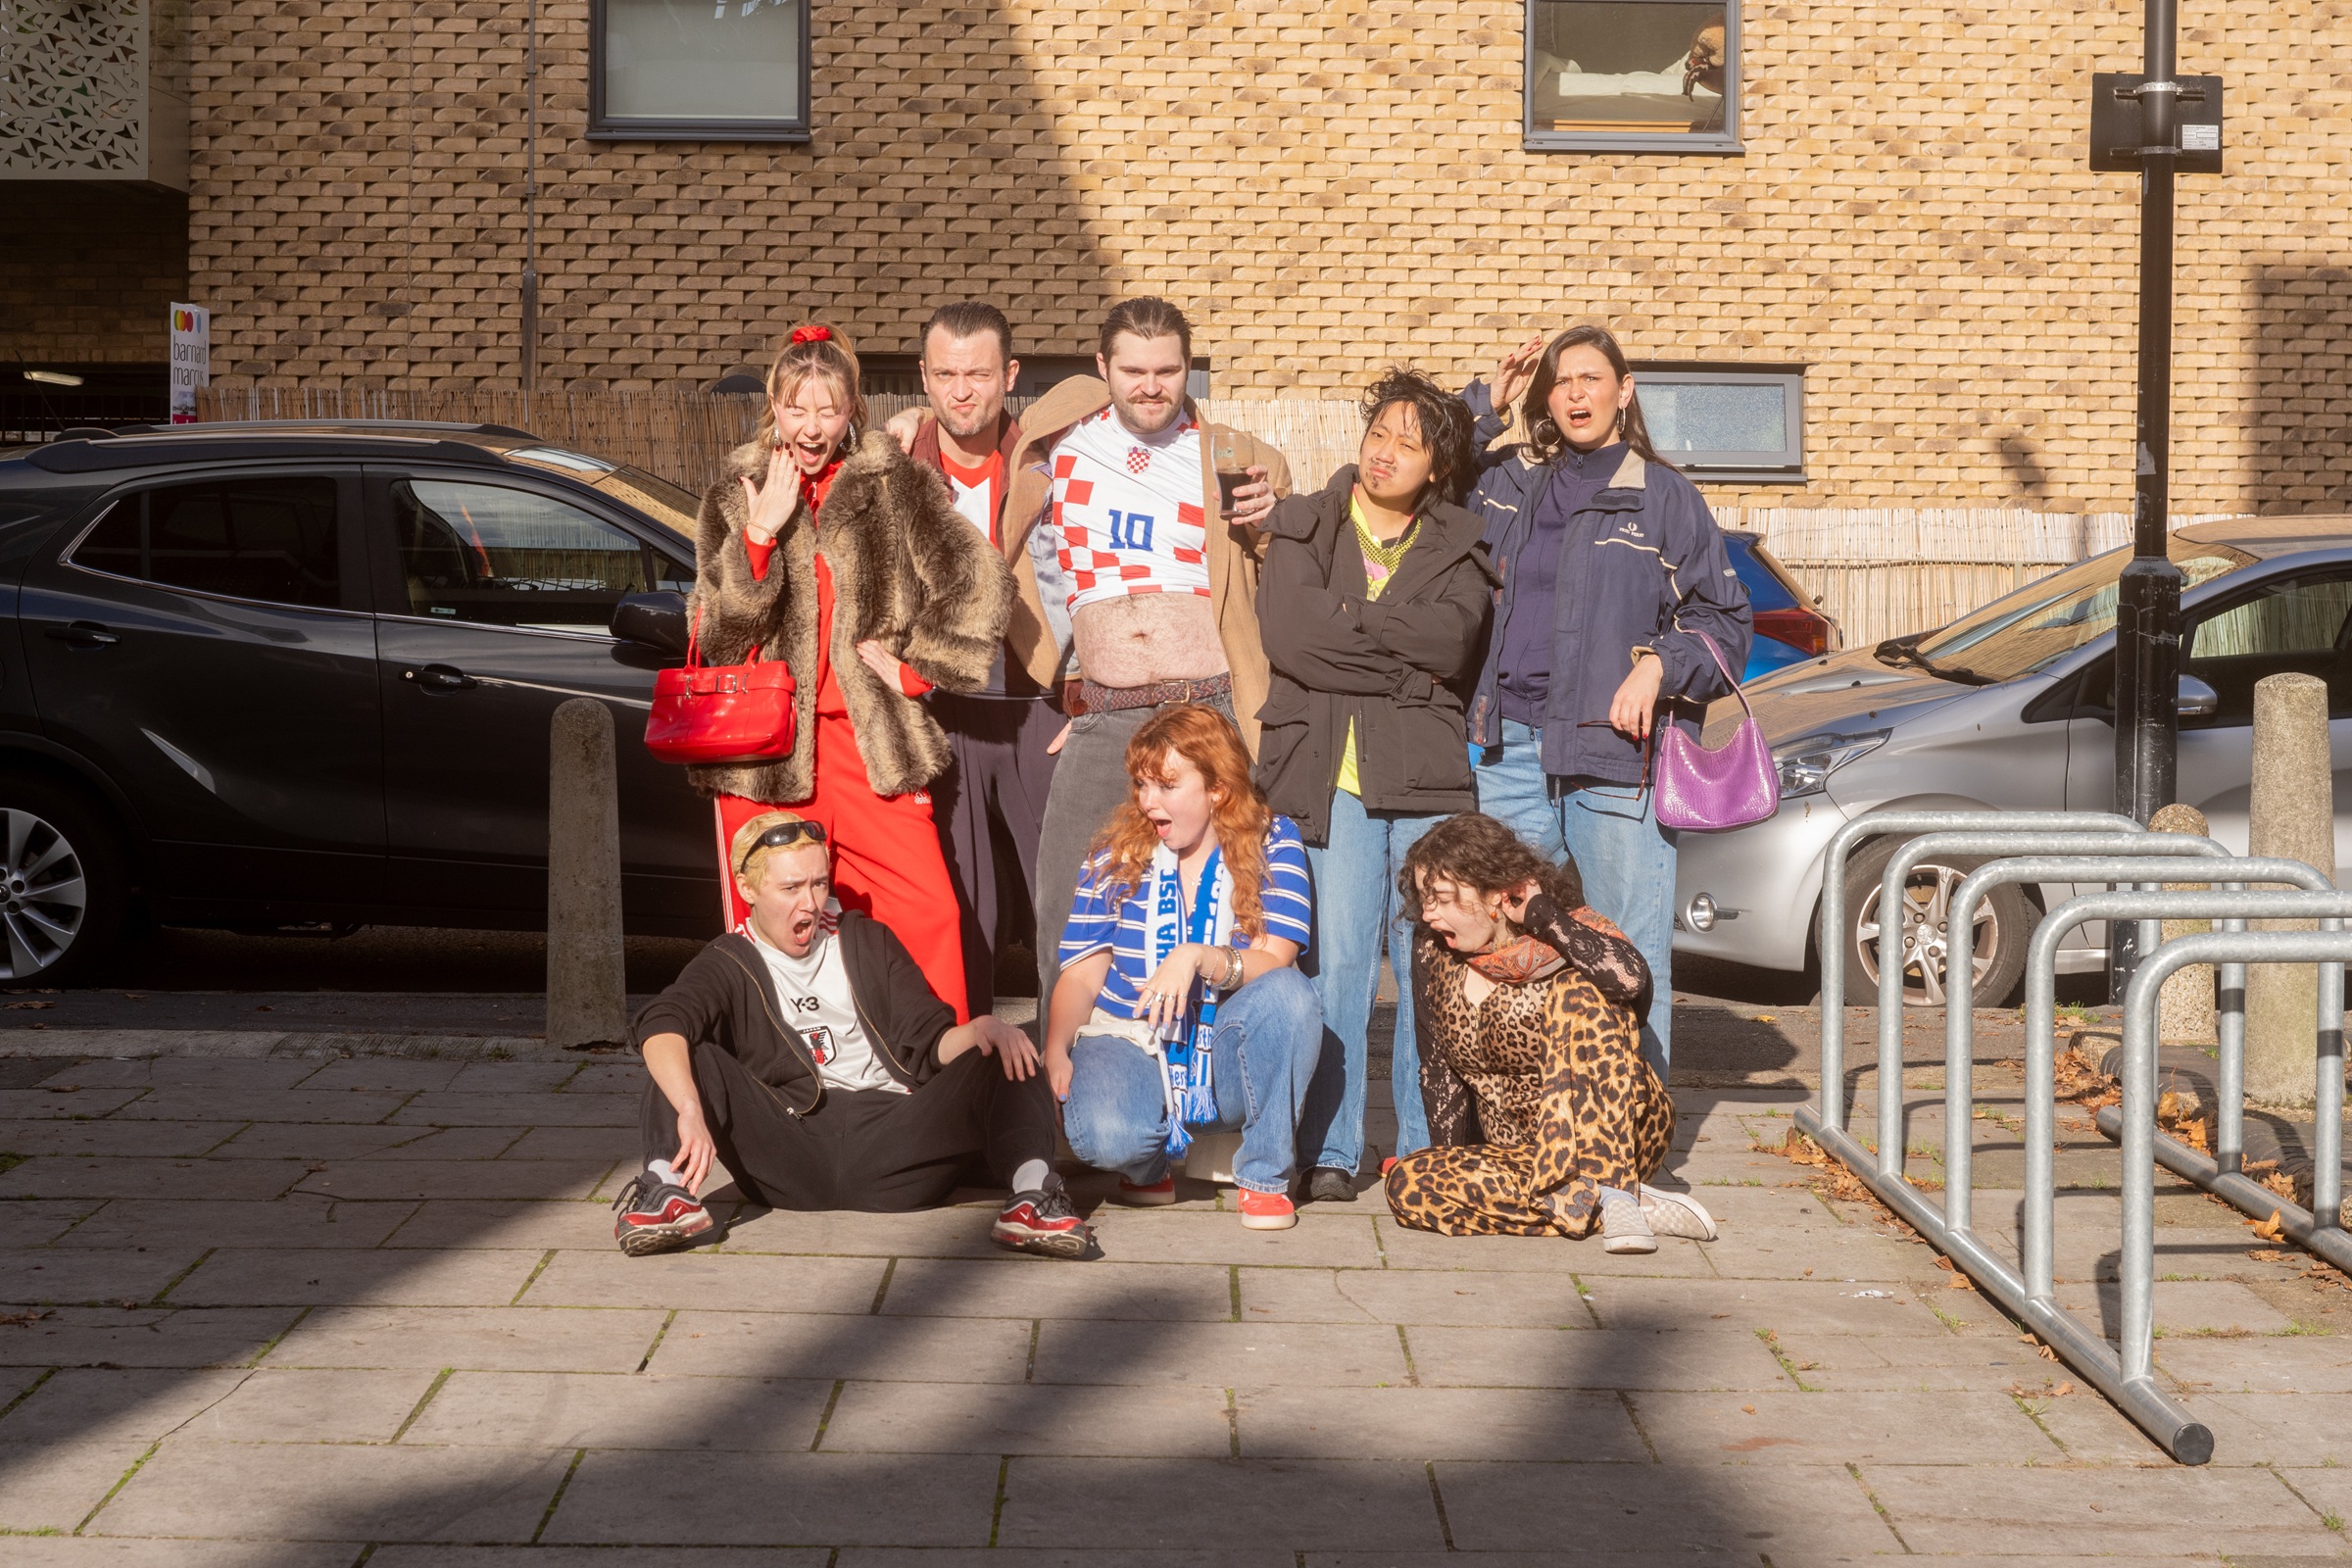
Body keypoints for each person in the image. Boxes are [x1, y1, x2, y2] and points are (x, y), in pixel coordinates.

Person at [685, 323, 1012, 1023]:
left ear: (852, 410)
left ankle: (939, 1077)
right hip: (764, 758)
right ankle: (782, 1081)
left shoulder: (893, 484)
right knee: (771, 939)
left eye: (828, 410)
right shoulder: (735, 492)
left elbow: (979, 581)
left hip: (870, 750)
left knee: (928, 915)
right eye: (796, 409)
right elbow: (715, 636)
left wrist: (921, 669)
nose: (812, 428)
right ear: (774, 406)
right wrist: (760, 534)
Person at [1461, 322, 1752, 1075]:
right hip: (1507, 755)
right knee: (1493, 951)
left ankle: (1630, 1130)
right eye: (1560, 381)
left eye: (1590, 378)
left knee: (1627, 957)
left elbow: (1725, 621)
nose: (1574, 394)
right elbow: (1419, 477)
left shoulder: (1663, 496)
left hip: (1615, 761)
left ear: (1624, 391)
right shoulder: (1510, 481)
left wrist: (1660, 666)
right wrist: (1483, 408)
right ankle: (1525, 1120)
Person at [612, 809, 1091, 1258]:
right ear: (747, 888)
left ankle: (1034, 1198)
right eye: (790, 887)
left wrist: (981, 1031)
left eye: (819, 883)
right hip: (788, 1153)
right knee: (682, 1052)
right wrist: (690, 1108)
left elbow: (929, 1041)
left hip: (894, 1142)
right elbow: (661, 1021)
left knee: (1010, 1050)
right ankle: (663, 1193)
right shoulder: (728, 960)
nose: (809, 902)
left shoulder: (865, 940)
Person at [1004, 297, 1294, 1004]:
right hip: (1105, 712)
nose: (1150, 386)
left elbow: (1289, 571)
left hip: (1208, 708)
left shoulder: (1236, 457)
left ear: (1188, 368)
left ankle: (1224, 1058)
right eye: (1133, 371)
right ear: (1102, 367)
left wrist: (1274, 522)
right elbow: (967, 424)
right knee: (1066, 901)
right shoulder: (1058, 443)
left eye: (1167, 371)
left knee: (1236, 896)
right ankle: (1064, 1064)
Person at [1254, 368, 1495, 1201]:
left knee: (1427, 966)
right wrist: (1400, 666)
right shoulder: (1305, 523)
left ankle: (1422, 1146)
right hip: (1334, 782)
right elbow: (1292, 638)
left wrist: (1352, 622)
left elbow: (1451, 645)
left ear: (1438, 466)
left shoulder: (1459, 544)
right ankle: (1331, 1145)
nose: (1386, 452)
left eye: (1408, 444)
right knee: (1341, 969)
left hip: (1426, 782)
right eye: (1378, 434)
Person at [1044, 705, 1323, 1230]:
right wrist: (1055, 1047)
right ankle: (1146, 1163)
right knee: (1107, 1137)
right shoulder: (1115, 854)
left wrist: (1197, 956)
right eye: (1142, 785)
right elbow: (1082, 972)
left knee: (1292, 994)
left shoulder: (1274, 840)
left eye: (1167, 786)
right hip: (1129, 1035)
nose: (1148, 801)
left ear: (1217, 788)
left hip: (1224, 1052)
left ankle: (1264, 1175)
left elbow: (1276, 961)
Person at [1382, 812, 1715, 1252]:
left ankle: (1615, 1189)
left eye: (1442, 898)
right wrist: (1452, 1160)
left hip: (1616, 1138)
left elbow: (1630, 981)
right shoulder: (1434, 952)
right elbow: (1438, 1072)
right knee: (1408, 1184)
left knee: (1580, 990)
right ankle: (1612, 1206)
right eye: (1424, 898)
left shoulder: (1567, 933)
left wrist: (1543, 915)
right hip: (1522, 1156)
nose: (1428, 913)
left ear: (1495, 894)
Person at [882, 303, 1059, 1019]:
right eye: (946, 374)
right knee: (961, 909)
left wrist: (1085, 693)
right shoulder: (894, 468)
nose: (961, 392)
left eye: (978, 375)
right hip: (938, 711)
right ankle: (966, 1062)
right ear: (923, 377)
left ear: (1009, 375)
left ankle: (1073, 1066)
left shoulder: (1049, 460)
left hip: (1036, 708)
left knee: (1066, 903)